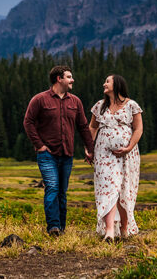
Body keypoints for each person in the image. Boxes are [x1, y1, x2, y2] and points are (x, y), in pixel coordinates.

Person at [23, 64, 94, 236]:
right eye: (69, 77)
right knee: (52, 187)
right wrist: (39, 145)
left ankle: (61, 228)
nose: (72, 80)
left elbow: (83, 126)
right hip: (47, 154)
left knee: (62, 192)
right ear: (58, 79)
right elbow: (28, 122)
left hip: (67, 154)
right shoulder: (39, 99)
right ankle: (53, 227)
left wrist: (90, 148)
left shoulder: (75, 102)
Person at [89, 74, 143, 242]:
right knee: (108, 188)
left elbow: (138, 129)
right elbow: (92, 127)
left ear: (117, 84)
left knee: (123, 189)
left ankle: (124, 227)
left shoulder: (131, 105)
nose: (104, 84)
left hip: (128, 155)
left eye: (107, 81)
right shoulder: (99, 106)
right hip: (103, 154)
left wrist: (129, 147)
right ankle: (109, 230)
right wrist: (89, 148)